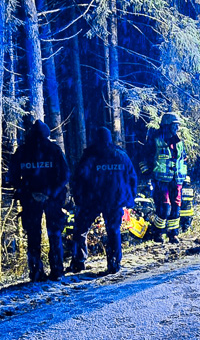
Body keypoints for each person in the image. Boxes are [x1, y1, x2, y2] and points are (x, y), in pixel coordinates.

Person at [7, 119, 70, 282]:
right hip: (52, 199)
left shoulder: (22, 151)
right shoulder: (54, 150)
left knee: (33, 236)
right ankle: (57, 270)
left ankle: (36, 272)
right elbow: (64, 176)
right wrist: (49, 193)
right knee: (54, 234)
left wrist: (30, 192)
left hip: (31, 200)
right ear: (46, 134)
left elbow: (12, 178)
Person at [68, 127, 137, 275]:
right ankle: (114, 264)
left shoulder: (90, 157)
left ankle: (78, 261)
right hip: (114, 200)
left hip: (92, 200)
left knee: (80, 230)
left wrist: (78, 198)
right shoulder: (121, 155)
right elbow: (132, 178)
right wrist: (130, 199)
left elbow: (78, 179)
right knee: (113, 231)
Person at [139, 112, 187, 243]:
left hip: (176, 180)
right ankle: (158, 233)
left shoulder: (179, 141)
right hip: (161, 180)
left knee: (176, 207)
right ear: (167, 125)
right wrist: (147, 174)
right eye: (175, 125)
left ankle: (173, 234)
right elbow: (143, 158)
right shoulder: (155, 139)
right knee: (165, 208)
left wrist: (185, 176)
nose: (177, 128)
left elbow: (183, 158)